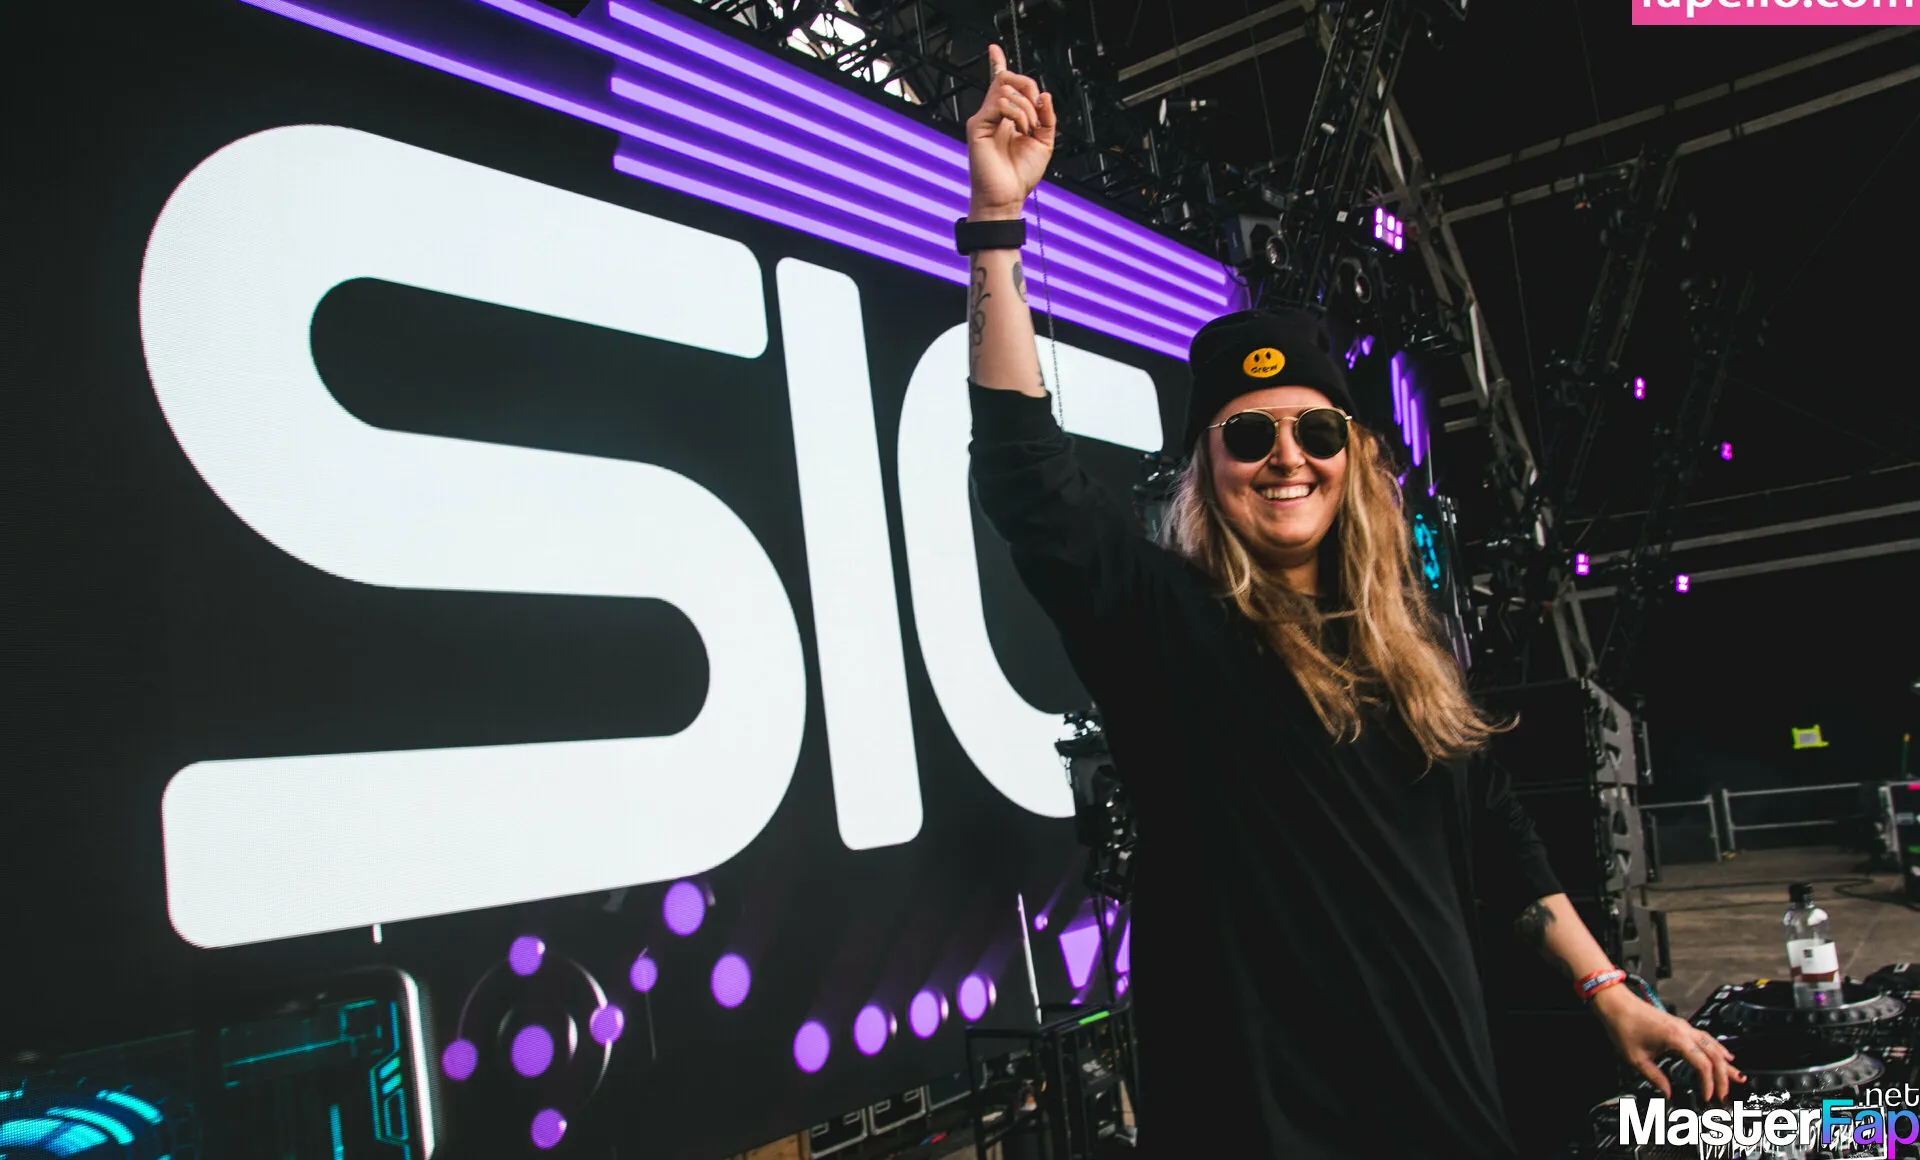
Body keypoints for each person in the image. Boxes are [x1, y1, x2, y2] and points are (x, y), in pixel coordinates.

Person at [959, 44, 1742, 1158]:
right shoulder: (1164, 624)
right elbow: (1025, 475)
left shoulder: (1407, 650)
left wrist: (1609, 990)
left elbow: (1496, 830)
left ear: (1355, 456)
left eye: (1316, 430)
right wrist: (997, 223)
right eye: (1248, 433)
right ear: (1207, 468)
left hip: (1446, 1119)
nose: (1287, 457)